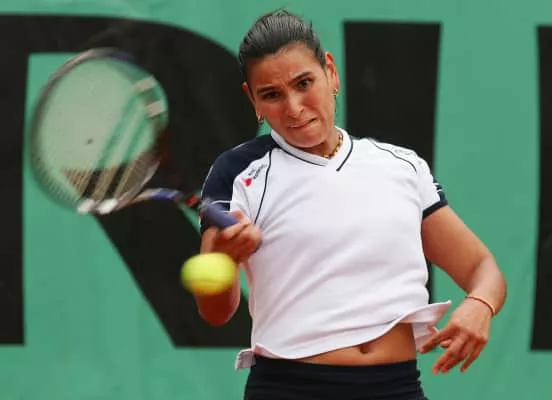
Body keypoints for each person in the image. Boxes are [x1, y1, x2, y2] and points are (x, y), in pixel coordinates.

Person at [196, 9, 507, 400]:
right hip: (289, 390)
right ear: (252, 99)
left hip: (397, 388)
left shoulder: (402, 166)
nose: (293, 108)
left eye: (304, 83)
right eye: (272, 95)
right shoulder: (237, 172)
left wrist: (480, 304)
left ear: (331, 72)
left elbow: (482, 267)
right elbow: (215, 313)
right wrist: (223, 261)